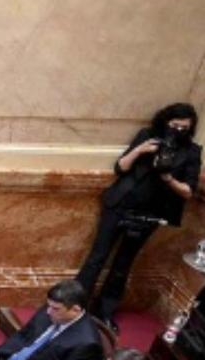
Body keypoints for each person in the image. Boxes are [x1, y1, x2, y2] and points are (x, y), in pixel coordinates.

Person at [76, 102, 199, 322]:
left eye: (184, 128)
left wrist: (168, 177)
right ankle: (75, 305)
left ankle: (105, 313)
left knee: (123, 264)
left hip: (151, 213)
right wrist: (140, 150)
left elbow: (188, 191)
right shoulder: (147, 135)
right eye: (175, 125)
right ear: (165, 121)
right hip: (120, 204)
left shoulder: (192, 152)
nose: (178, 131)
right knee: (97, 257)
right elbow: (120, 167)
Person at [0, 280, 106, 360]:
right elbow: (22, 336)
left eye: (55, 308)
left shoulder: (87, 344)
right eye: (48, 305)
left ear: (75, 310)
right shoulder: (52, 309)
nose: (48, 311)